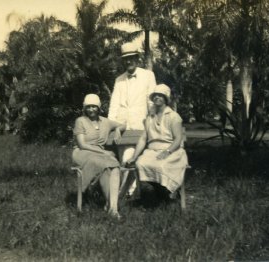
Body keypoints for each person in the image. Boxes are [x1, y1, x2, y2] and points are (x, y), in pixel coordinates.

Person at [108, 42, 156, 194]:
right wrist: (113, 126)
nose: (128, 61)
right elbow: (114, 105)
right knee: (125, 159)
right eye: (125, 59)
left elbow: (151, 101)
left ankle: (126, 193)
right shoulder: (119, 80)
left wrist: (151, 121)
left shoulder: (148, 75)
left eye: (131, 58)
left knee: (129, 159)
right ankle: (131, 193)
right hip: (122, 127)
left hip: (140, 125)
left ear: (137, 58)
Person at [126, 84, 188, 197]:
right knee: (140, 164)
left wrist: (167, 152)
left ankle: (169, 190)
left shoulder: (173, 116)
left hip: (172, 151)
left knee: (161, 166)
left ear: (166, 99)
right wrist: (134, 156)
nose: (157, 98)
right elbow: (143, 138)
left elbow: (178, 138)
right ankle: (162, 192)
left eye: (161, 95)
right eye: (155, 95)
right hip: (151, 152)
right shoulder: (150, 117)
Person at [72, 94, 125, 218]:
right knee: (107, 162)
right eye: (88, 107)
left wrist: (118, 130)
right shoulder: (80, 121)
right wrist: (103, 152)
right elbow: (82, 144)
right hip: (83, 153)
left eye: (94, 107)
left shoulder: (105, 122)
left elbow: (123, 125)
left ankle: (112, 207)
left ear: (99, 108)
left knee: (115, 166)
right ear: (84, 108)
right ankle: (110, 205)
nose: (91, 110)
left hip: (100, 155)